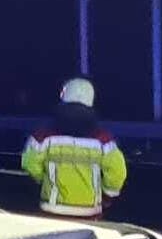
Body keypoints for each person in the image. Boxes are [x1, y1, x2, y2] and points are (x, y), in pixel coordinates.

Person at [21, 78, 127, 219]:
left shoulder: (43, 137)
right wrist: (107, 195)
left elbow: (29, 164)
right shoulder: (103, 141)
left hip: (52, 209)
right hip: (90, 211)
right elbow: (117, 172)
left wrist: (46, 179)